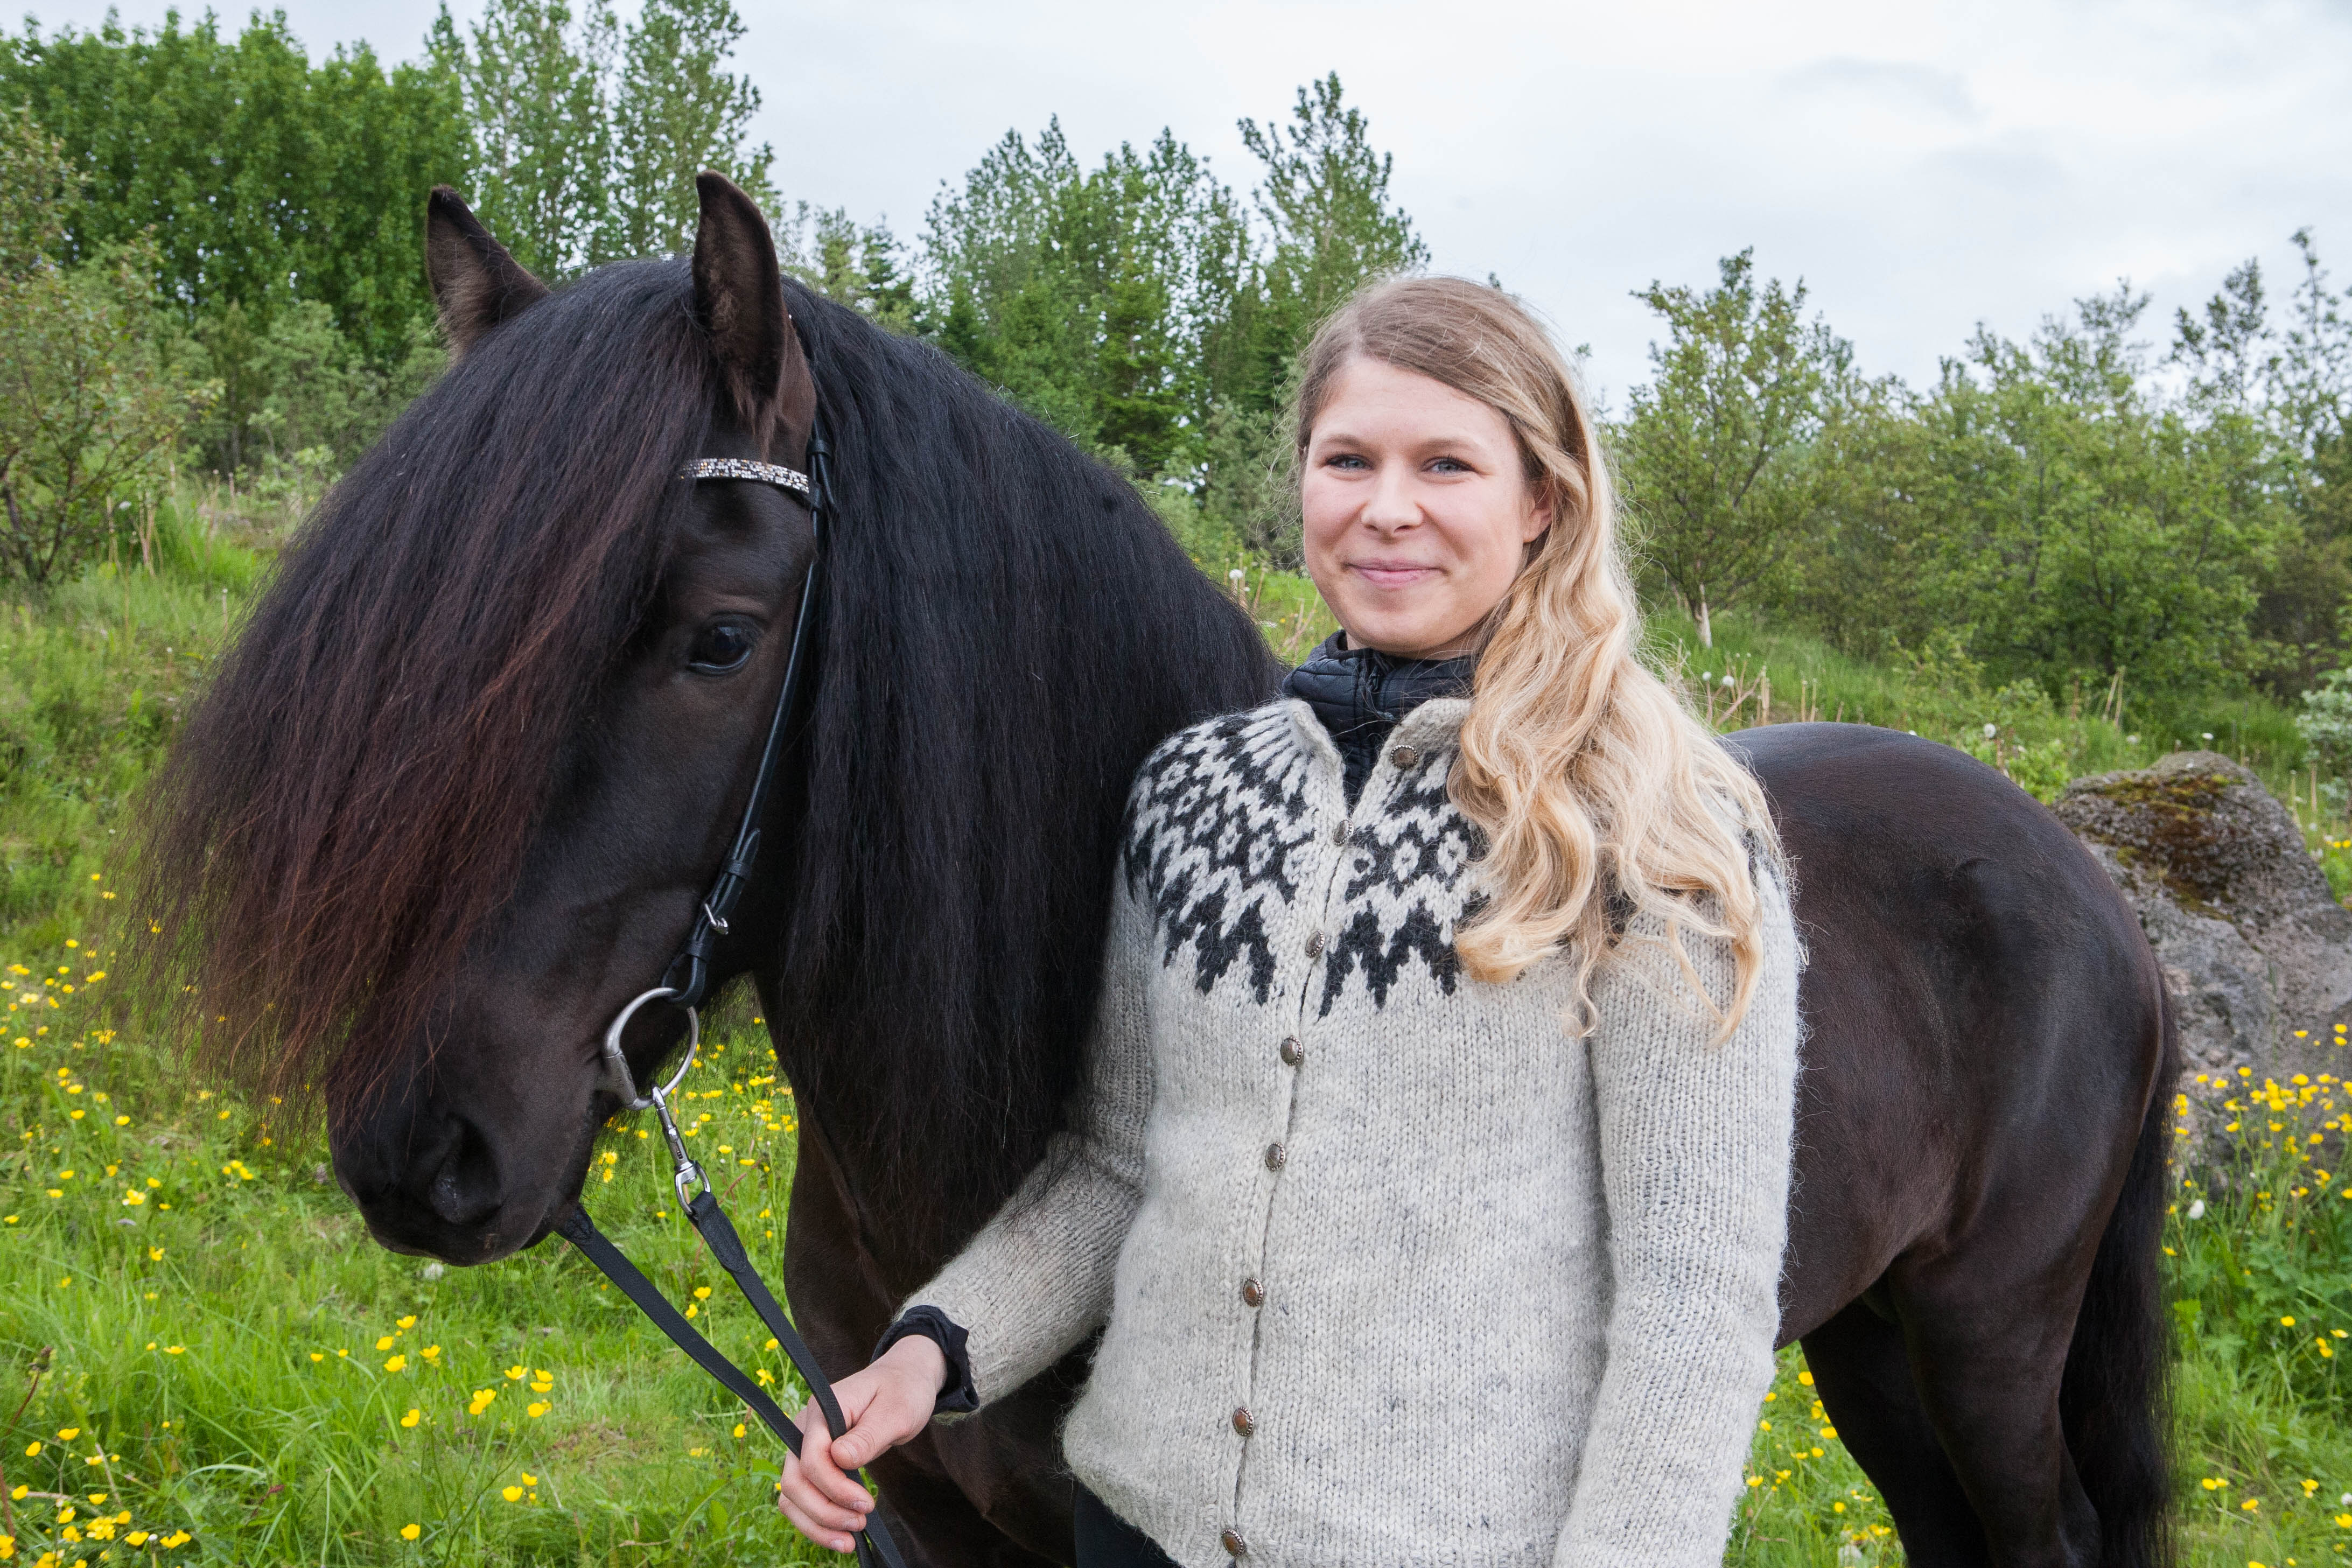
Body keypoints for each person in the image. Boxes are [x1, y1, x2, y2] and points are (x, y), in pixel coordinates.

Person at [778, 276, 1803, 1567]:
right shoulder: (1192, 790)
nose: (1388, 507)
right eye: (1347, 459)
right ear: (1303, 485)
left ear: (1543, 502)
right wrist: (931, 1352)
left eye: (1447, 463)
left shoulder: (1661, 828)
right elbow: (1116, 1162)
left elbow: (1693, 1301)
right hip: (1137, 1525)